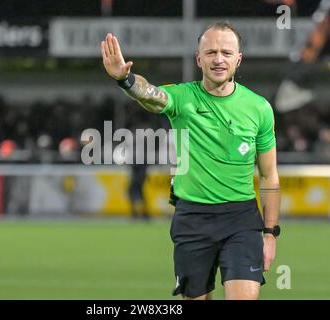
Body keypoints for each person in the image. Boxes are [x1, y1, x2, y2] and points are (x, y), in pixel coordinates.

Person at [101, 21, 281, 300]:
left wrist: (270, 234)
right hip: (192, 219)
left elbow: (270, 176)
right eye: (210, 53)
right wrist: (125, 80)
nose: (218, 59)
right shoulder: (183, 98)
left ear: (238, 59)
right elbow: (151, 95)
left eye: (226, 52)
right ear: (199, 59)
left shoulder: (259, 108)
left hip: (241, 220)